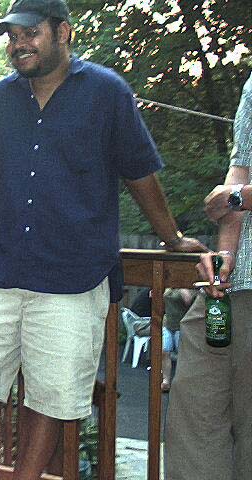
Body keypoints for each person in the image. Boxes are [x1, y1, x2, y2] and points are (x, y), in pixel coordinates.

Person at [0, 1, 206, 478]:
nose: (19, 44)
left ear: (63, 33)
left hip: (74, 273)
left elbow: (139, 172)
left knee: (53, 395)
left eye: (30, 33)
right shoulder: (0, 98)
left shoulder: (107, 92)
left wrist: (172, 238)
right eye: (12, 36)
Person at [165, 72, 252, 480]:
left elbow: (236, 193)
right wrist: (226, 255)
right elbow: (240, 170)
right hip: (233, 286)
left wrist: (236, 197)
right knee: (194, 418)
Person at [161, 288, 195, 392]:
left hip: (181, 325)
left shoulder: (187, 288)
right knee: (164, 352)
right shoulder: (167, 287)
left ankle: (181, 382)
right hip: (167, 324)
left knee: (182, 355)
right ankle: (166, 380)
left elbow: (189, 300)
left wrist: (183, 290)